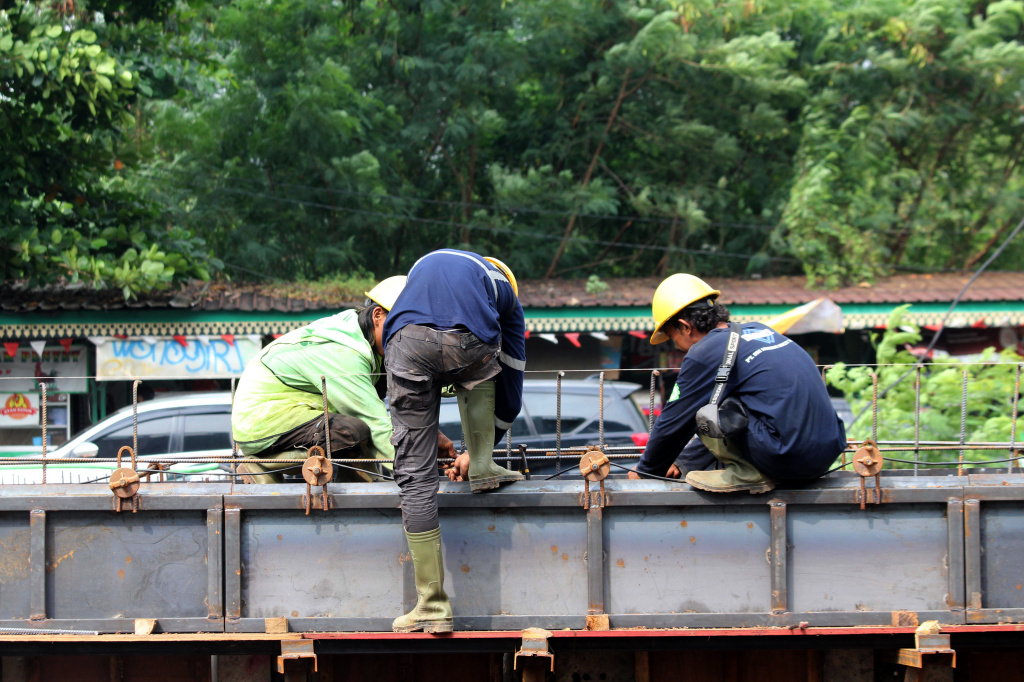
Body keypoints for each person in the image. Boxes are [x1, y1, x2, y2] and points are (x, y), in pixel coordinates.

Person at [383, 249, 526, 633]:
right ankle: (481, 463)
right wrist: (495, 438)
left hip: (406, 344)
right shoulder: (503, 290)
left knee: (414, 478)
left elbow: (409, 333)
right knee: (481, 367)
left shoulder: (417, 276)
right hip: (472, 344)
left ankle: (431, 606)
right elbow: (511, 378)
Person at [628, 273, 847, 493]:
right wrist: (683, 462)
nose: (677, 347)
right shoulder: (759, 330)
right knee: (724, 395)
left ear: (685, 326)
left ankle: (751, 473)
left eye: (673, 336)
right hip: (828, 452)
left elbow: (675, 418)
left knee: (710, 404)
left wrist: (646, 471)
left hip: (788, 459)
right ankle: (748, 467)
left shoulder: (705, 351)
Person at [232, 276, 458, 484]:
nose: (408, 339)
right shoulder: (344, 352)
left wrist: (430, 438)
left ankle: (359, 479)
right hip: (261, 421)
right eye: (402, 328)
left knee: (357, 426)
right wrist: (420, 472)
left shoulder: (373, 346)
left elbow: (412, 392)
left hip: (300, 414)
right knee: (350, 432)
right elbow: (375, 421)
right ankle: (263, 463)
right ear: (377, 316)